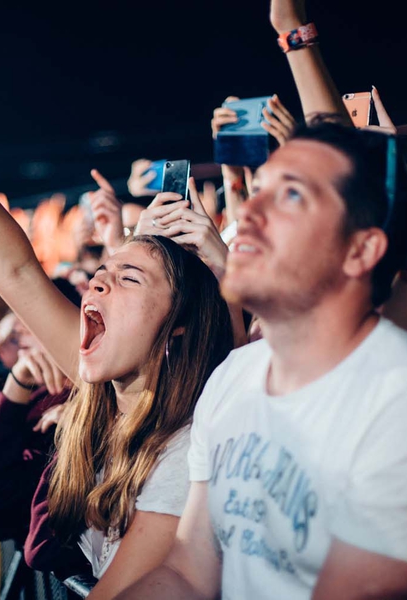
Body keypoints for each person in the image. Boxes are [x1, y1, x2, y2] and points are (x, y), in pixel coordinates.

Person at [0, 23, 235, 598]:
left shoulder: (185, 445)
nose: (95, 283)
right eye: (101, 273)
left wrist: (226, 265)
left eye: (127, 277)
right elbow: (15, 271)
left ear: (180, 326)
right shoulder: (106, 393)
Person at [116, 0, 407, 598]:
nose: (247, 208)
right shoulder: (234, 378)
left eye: (291, 195)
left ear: (361, 251)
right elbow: (188, 571)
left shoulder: (392, 403)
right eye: (257, 189)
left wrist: (298, 40)